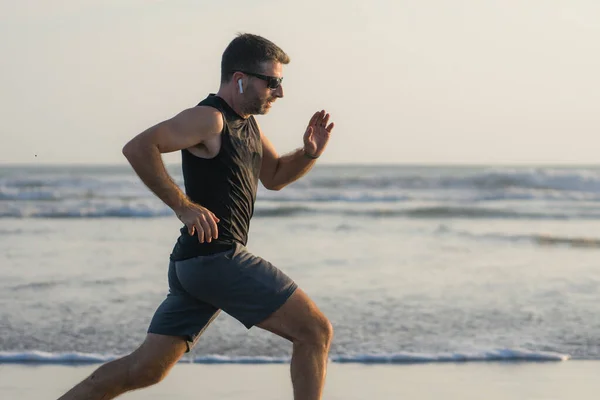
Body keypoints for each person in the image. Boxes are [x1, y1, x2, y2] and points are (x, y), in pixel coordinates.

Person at [58, 33, 335, 400]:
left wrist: (309, 154)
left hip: (195, 263)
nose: (279, 93)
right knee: (315, 331)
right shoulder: (210, 119)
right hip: (216, 258)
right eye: (273, 82)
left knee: (146, 368)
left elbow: (276, 177)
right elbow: (140, 147)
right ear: (240, 78)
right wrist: (182, 205)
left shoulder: (247, 126)